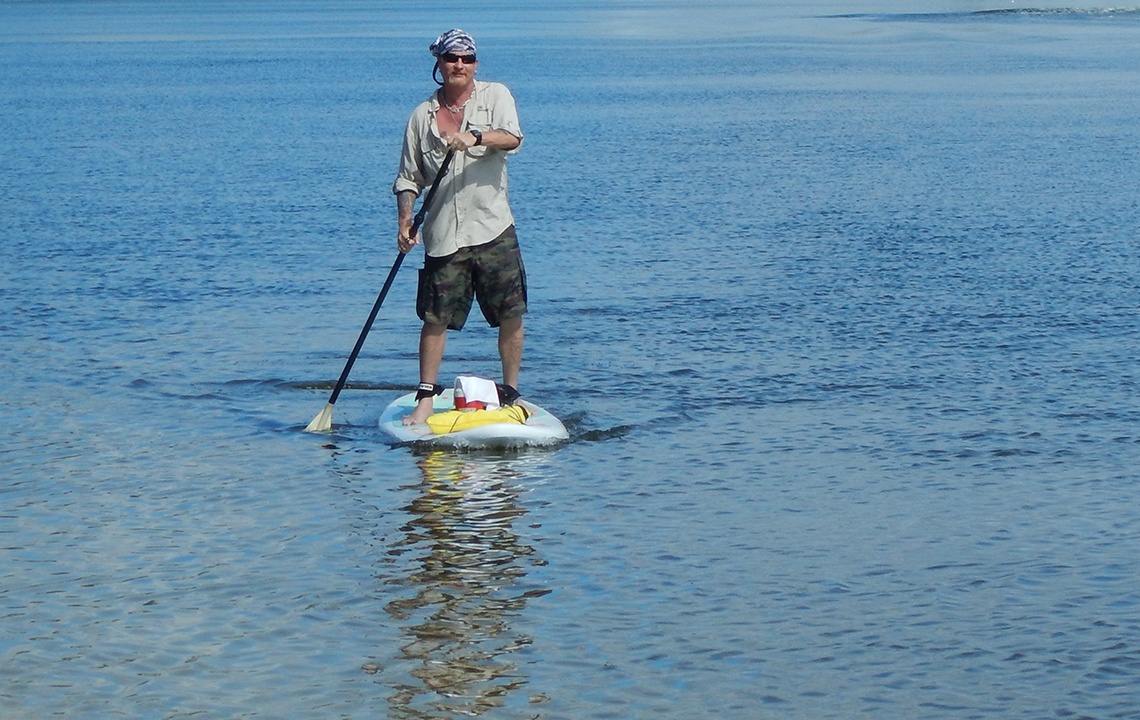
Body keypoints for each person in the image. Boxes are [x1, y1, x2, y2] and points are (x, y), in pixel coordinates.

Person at [393, 29, 527, 426]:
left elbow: (513, 138)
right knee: (434, 318)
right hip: (443, 235)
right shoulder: (421, 116)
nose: (460, 65)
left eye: (467, 59)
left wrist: (475, 136)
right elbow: (407, 178)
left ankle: (511, 394)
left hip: (493, 226)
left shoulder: (496, 95)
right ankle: (425, 398)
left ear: (475, 64)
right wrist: (405, 223)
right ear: (439, 63)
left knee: (511, 313)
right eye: (452, 58)